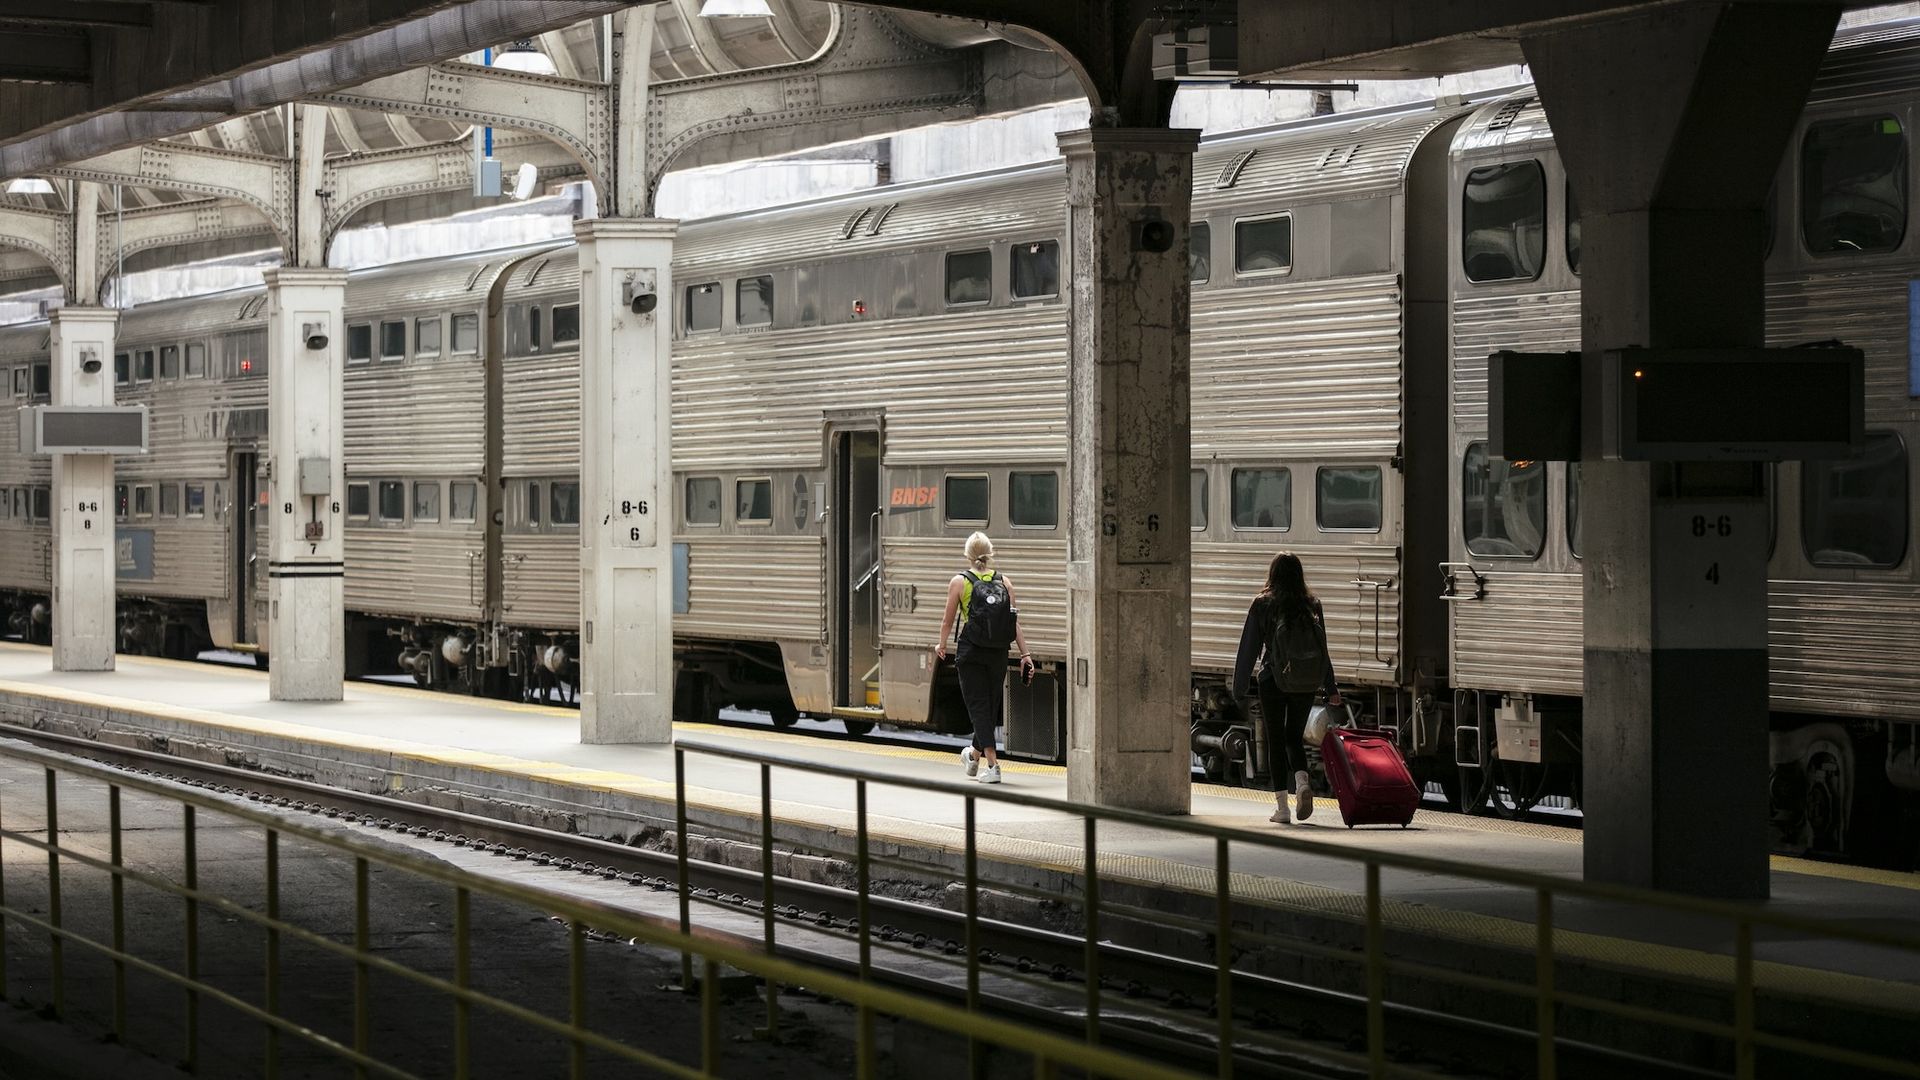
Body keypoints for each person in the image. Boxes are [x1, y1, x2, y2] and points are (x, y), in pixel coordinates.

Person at [1232, 552, 1342, 824]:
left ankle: (1282, 808)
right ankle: (1303, 782)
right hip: (1305, 682)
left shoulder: (1263, 604)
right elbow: (1322, 650)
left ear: (1273, 574)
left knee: (1276, 741)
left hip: (1273, 680)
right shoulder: (1312, 604)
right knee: (1294, 736)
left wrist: (1240, 685)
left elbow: (1249, 649)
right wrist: (1331, 688)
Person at [934, 532, 1034, 784]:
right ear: (990, 554)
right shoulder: (1004, 582)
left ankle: (993, 765)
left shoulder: (959, 582)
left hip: (972, 651)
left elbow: (947, 620)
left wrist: (942, 644)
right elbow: (1014, 624)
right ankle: (973, 755)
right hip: (998, 653)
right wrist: (1025, 654)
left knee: (978, 707)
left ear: (967, 554)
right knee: (988, 708)